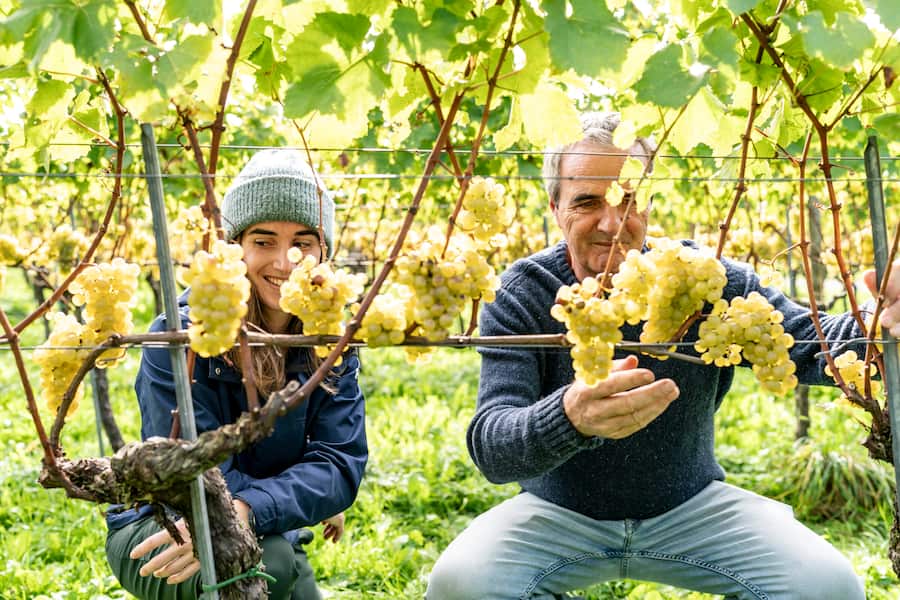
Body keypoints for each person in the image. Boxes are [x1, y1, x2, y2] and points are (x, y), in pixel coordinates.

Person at [427, 112, 900, 599]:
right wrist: (569, 416)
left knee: (827, 586)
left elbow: (810, 343)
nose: (611, 222)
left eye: (628, 199)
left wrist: (881, 322)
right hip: (557, 514)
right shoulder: (523, 292)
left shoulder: (701, 279)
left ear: (649, 203)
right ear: (555, 207)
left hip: (692, 509)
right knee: (460, 583)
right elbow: (492, 447)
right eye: (587, 201)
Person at [105, 149, 368, 599]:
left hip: (262, 520)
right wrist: (294, 499)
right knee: (275, 564)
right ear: (235, 247)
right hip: (167, 523)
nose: (285, 262)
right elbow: (194, 469)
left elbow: (341, 464)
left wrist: (253, 508)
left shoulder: (327, 338)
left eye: (303, 242)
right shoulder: (183, 334)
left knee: (279, 565)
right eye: (263, 242)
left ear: (324, 249)